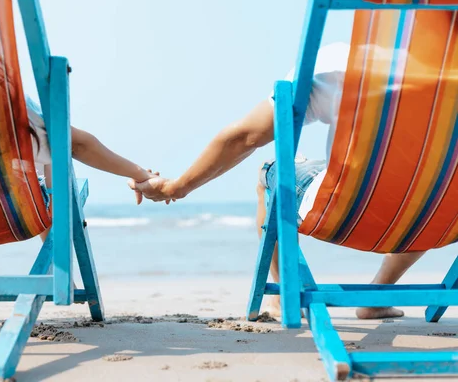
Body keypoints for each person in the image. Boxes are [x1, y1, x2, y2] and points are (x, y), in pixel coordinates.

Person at [129, 42, 425, 320]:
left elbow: (246, 137)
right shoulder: (444, 73)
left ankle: (284, 296)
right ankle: (378, 294)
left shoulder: (338, 64)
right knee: (434, 190)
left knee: (268, 172)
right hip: (433, 222)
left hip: (343, 212)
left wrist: (177, 187)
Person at [0, 97, 156, 275]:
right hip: (15, 211)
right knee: (42, 183)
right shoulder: (9, 101)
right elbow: (78, 144)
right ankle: (55, 266)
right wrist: (140, 174)